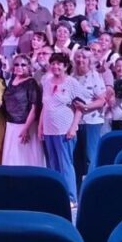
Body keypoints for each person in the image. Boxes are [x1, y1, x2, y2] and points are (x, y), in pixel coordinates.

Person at [40, 53, 86, 205]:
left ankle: (71, 197)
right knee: (53, 164)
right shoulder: (46, 82)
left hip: (65, 130)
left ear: (65, 66)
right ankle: (57, 195)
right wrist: (41, 127)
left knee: (65, 164)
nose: (55, 66)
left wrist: (73, 128)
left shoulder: (72, 83)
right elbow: (45, 107)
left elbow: (80, 108)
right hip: (49, 130)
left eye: (59, 64)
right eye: (53, 63)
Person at [1, 55, 45, 167]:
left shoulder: (31, 83)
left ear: (29, 67)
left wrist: (26, 129)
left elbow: (35, 108)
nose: (19, 67)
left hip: (25, 125)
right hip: (11, 125)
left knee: (26, 159)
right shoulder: (12, 81)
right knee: (12, 159)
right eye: (16, 64)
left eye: (23, 65)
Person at [72, 49, 107, 182]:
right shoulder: (72, 76)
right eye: (78, 57)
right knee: (77, 157)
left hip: (91, 121)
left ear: (89, 60)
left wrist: (85, 107)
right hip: (75, 122)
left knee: (90, 157)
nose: (80, 60)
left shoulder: (94, 76)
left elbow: (102, 100)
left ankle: (92, 183)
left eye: (84, 57)